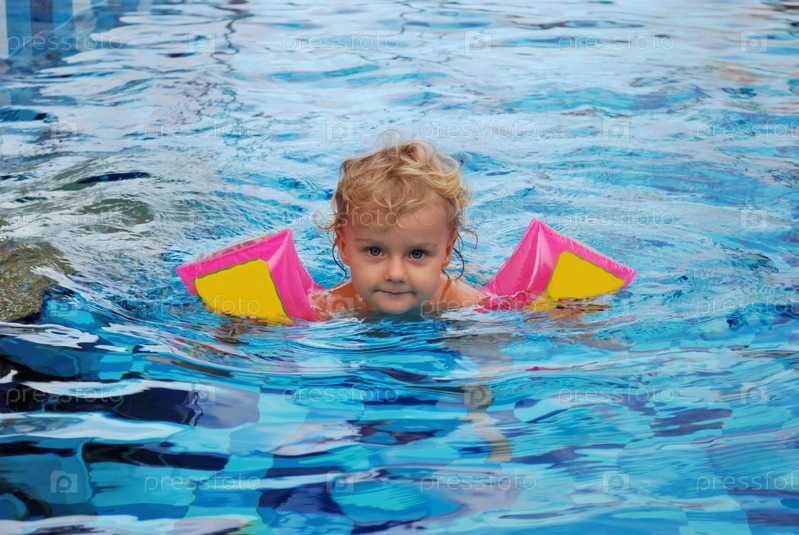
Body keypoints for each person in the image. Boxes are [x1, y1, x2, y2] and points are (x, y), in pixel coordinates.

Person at [311, 138, 486, 319]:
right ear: (343, 246)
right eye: (375, 251)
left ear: (447, 251)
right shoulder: (329, 307)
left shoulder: (465, 304)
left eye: (417, 254)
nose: (395, 275)